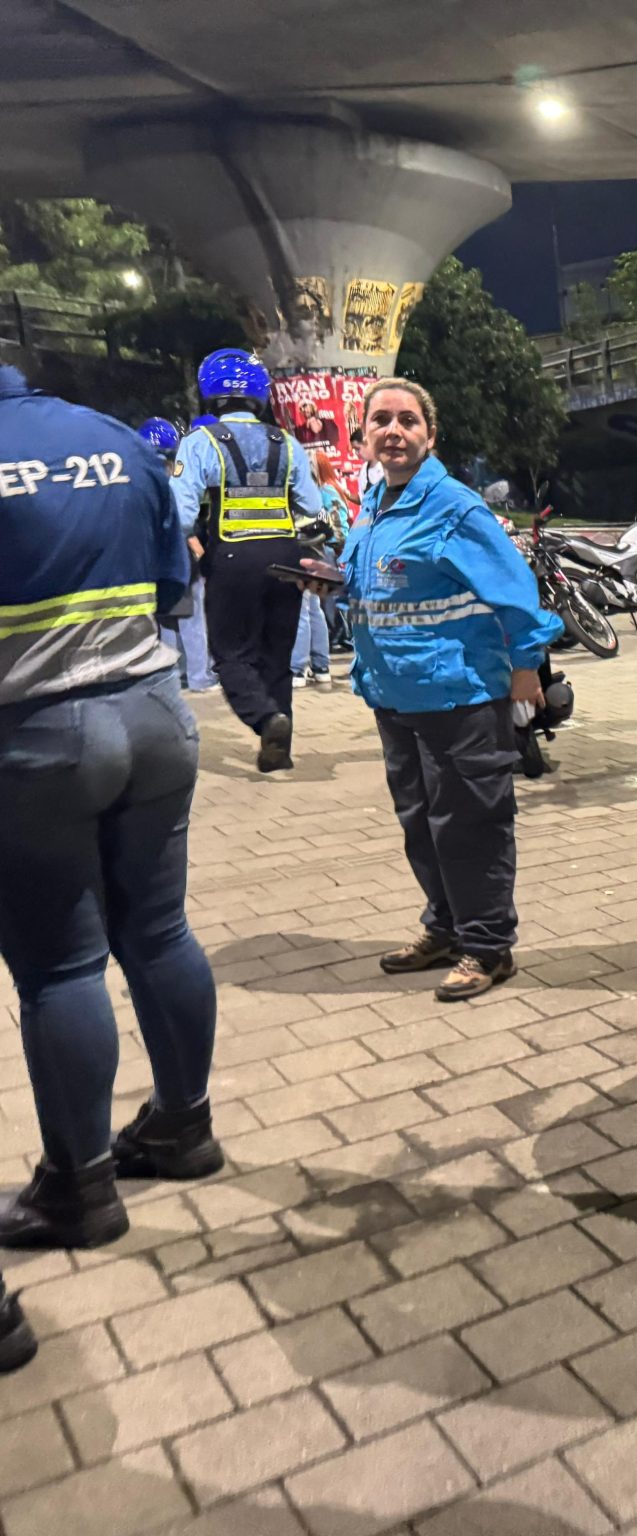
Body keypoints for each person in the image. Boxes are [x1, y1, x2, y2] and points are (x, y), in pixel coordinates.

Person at [0, 365, 223, 1262]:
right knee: (161, 931)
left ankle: (81, 1187)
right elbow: (175, 588)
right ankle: (183, 1126)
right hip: (154, 710)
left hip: (36, 734)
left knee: (61, 968)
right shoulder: (111, 436)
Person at [301, 379, 562, 1003]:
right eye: (381, 420)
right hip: (394, 695)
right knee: (421, 823)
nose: (394, 430)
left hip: (460, 696)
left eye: (408, 421)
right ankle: (445, 928)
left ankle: (488, 946)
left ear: (429, 435)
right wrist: (333, 584)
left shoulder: (453, 507)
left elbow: (515, 592)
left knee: (471, 825)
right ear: (363, 435)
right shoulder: (376, 502)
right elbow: (389, 587)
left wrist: (526, 667)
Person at [170, 349, 324, 772]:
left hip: (232, 557)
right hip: (286, 557)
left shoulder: (200, 442)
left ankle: (265, 719)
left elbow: (181, 515)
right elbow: (312, 506)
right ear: (259, 395)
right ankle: (280, 744)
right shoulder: (286, 443)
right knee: (277, 653)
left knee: (231, 654)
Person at [141, 418, 217, 694]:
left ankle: (174, 676)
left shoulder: (139, 481)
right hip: (179, 558)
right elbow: (183, 523)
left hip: (152, 561)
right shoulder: (173, 481)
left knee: (167, 621)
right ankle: (199, 677)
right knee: (192, 621)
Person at [291, 450, 352, 686]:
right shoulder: (319, 491)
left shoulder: (315, 492)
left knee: (304, 609)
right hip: (321, 551)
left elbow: (336, 525)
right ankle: (320, 665)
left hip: (314, 552)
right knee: (314, 608)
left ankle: (298, 668)